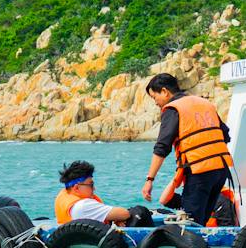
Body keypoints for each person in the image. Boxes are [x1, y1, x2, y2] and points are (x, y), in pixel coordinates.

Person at [142, 74, 233, 228]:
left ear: (164, 91)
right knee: (201, 219)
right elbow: (225, 134)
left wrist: (149, 180)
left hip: (200, 171)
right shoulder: (205, 104)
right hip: (221, 170)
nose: (155, 102)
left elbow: (162, 147)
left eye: (154, 97)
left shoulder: (173, 109)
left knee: (191, 223)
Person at [54, 160, 141, 226]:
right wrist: (118, 218)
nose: (94, 188)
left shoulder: (65, 195)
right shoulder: (83, 206)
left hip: (70, 240)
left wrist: (115, 218)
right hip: (96, 244)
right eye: (91, 184)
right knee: (140, 212)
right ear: (76, 187)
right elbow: (124, 213)